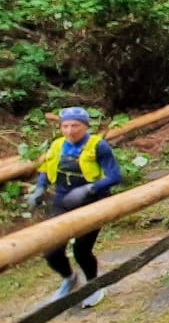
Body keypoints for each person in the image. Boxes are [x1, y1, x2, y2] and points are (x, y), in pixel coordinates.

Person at [26, 107, 122, 308]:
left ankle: (93, 285)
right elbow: (46, 168)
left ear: (85, 126)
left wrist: (89, 189)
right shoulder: (57, 144)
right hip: (63, 201)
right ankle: (69, 278)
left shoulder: (98, 146)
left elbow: (115, 176)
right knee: (51, 251)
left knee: (81, 250)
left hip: (92, 202)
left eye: (75, 126)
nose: (70, 131)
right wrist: (40, 188)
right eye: (65, 126)